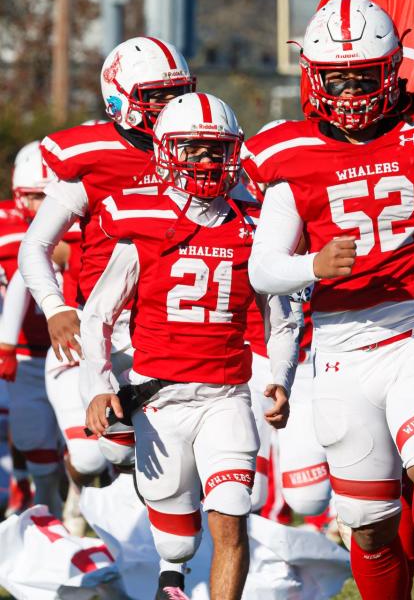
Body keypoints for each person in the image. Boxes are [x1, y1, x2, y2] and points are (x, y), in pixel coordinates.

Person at [245, 0, 414, 600]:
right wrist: (312, 264)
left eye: (362, 76)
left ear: (391, 70)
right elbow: (263, 269)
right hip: (340, 349)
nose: (348, 90)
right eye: (336, 78)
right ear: (313, 77)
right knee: (369, 525)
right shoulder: (289, 153)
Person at [81, 92, 298, 600]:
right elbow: (98, 314)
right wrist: (99, 386)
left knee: (231, 518)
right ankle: (170, 577)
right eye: (194, 149)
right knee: (177, 543)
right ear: (164, 151)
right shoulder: (142, 218)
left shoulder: (256, 224)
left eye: (216, 150)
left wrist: (279, 379)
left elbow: (282, 317)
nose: (206, 161)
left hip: (225, 395)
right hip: (158, 398)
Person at [21, 37, 197, 470]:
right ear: (122, 99)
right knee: (102, 454)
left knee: (173, 459)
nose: (174, 106)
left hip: (176, 320)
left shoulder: (202, 149)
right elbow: (36, 245)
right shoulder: (94, 158)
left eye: (180, 94)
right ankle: (80, 508)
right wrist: (54, 306)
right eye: (159, 96)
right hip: (108, 328)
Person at [0, 141, 66, 517]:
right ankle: (42, 507)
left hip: (72, 352)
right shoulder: (7, 230)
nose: (42, 206)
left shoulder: (83, 225)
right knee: (32, 440)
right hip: (25, 356)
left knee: (85, 449)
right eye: (34, 196)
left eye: (48, 195)